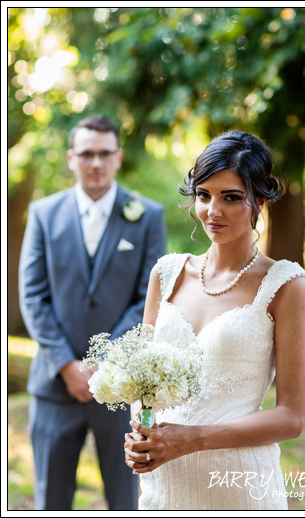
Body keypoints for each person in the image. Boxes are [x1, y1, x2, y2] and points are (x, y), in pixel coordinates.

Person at [124, 130, 305, 510]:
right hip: (164, 488)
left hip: (238, 485)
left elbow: (291, 417)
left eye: (231, 197)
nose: (213, 210)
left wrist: (190, 439)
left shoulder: (285, 285)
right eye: (204, 195)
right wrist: (142, 435)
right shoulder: (165, 274)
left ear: (259, 201)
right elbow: (139, 383)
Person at [19, 114, 166, 510]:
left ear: (118, 157)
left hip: (121, 389)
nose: (96, 162)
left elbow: (148, 300)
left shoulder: (147, 216)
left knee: (125, 499)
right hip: (54, 386)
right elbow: (32, 295)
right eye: (87, 154)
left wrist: (102, 364)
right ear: (71, 158)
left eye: (104, 153)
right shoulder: (43, 214)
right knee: (51, 500)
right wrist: (68, 366)